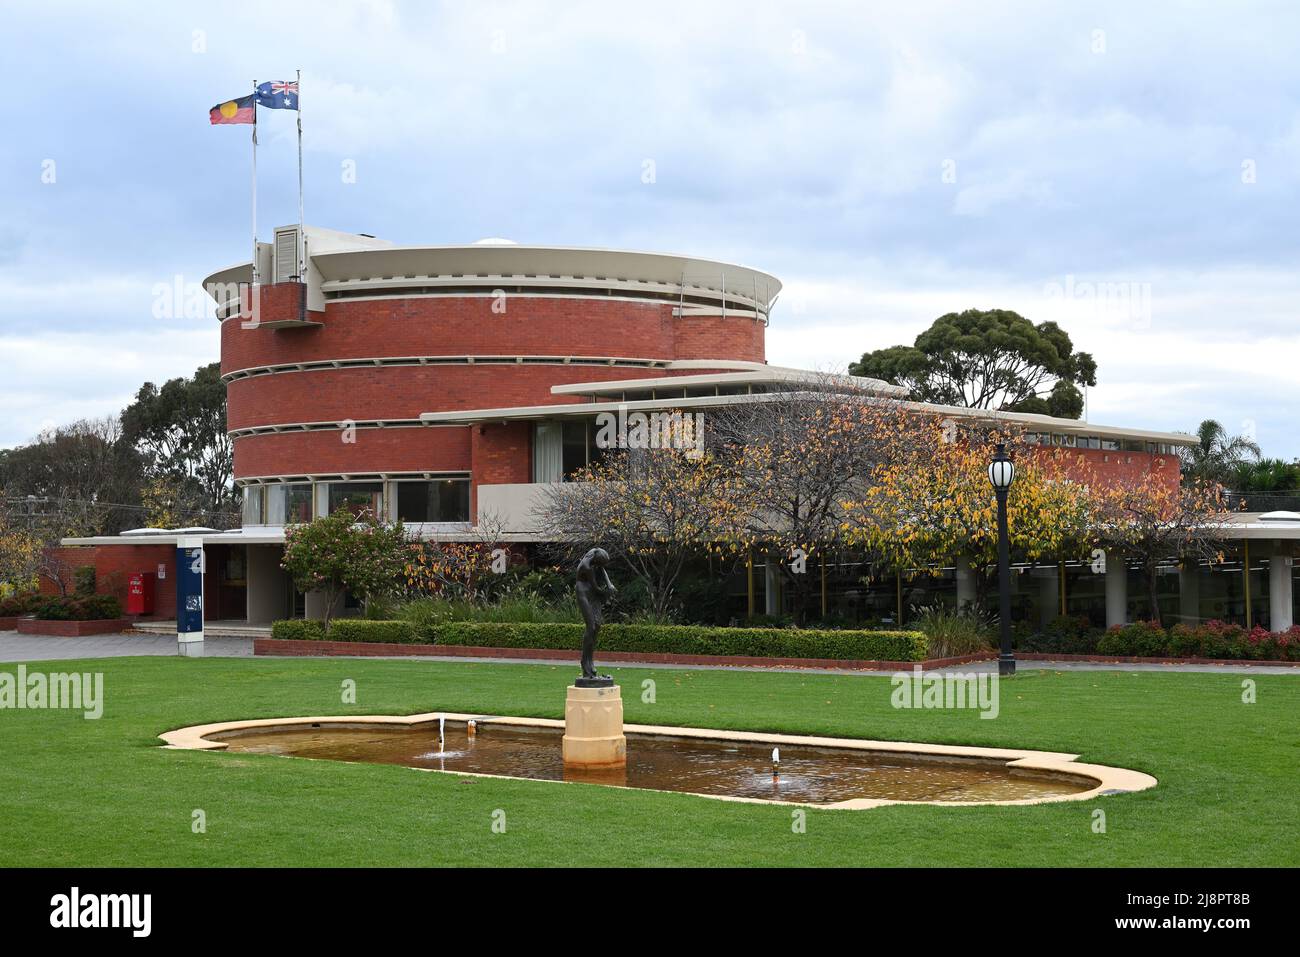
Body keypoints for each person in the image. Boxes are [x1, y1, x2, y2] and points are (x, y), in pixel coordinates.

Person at [576, 547, 617, 681]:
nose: (601, 567)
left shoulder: (594, 557)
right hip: (583, 593)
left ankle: (590, 662)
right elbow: (596, 588)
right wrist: (607, 592)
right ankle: (585, 663)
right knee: (591, 627)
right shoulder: (586, 566)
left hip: (592, 593)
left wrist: (609, 584)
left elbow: (602, 570)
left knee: (597, 625)